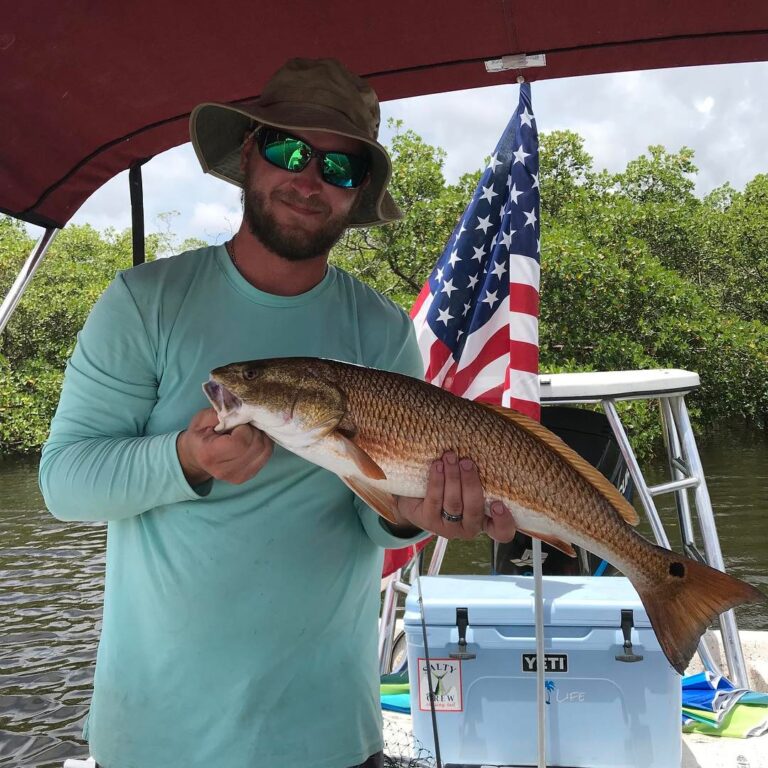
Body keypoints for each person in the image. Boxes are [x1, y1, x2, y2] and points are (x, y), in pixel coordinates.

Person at [39, 57, 517, 768]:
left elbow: (373, 514)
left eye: (341, 168)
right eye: (290, 149)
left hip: (324, 732)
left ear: (357, 196)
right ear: (248, 153)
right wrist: (186, 458)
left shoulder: (382, 330)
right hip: (158, 736)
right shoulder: (144, 303)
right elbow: (65, 481)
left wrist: (415, 513)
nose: (310, 179)